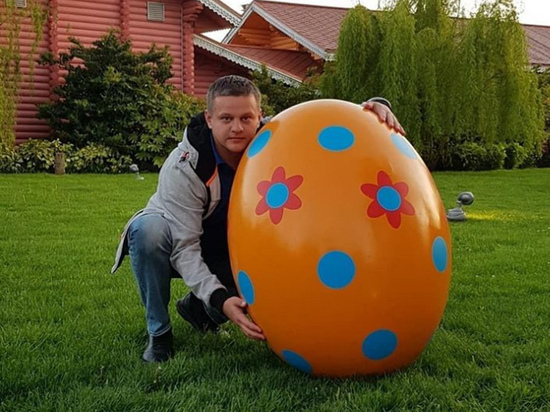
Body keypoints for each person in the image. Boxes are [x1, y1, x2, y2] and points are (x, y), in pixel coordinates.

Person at [111, 75, 406, 363]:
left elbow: (316, 124)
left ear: (259, 116)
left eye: (246, 118)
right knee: (148, 232)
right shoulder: (186, 167)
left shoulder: (275, 138)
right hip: (178, 240)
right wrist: (221, 299)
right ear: (210, 119)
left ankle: (198, 310)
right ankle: (159, 332)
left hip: (236, 243)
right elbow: (184, 247)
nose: (237, 128)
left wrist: (372, 109)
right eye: (226, 118)